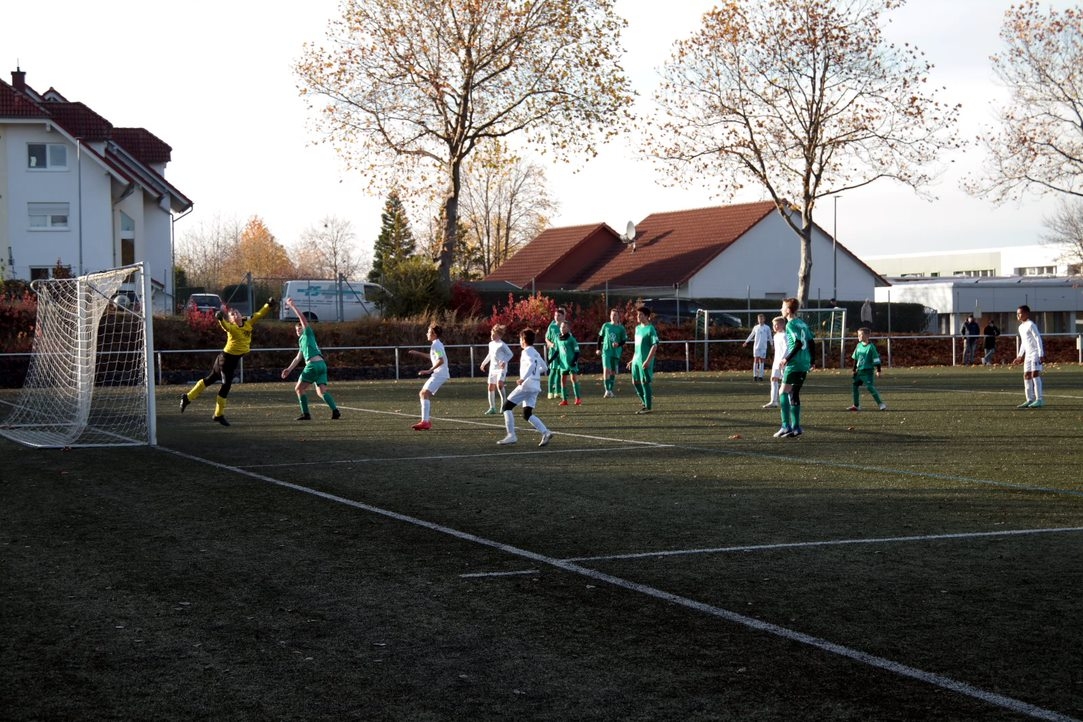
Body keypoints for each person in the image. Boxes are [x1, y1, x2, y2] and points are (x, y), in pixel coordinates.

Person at [179, 297, 277, 426]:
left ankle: (187, 397)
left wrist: (268, 305)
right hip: (225, 360)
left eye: (236, 312)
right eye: (232, 314)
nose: (235, 314)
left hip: (228, 359)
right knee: (225, 385)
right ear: (230, 320)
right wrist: (220, 319)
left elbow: (259, 314)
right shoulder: (232, 327)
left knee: (210, 379)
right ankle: (218, 415)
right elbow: (225, 327)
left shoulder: (248, 322)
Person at [280, 297, 341, 420]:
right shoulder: (302, 341)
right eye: (296, 330)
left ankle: (306, 414)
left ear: (304, 328)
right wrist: (289, 369)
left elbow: (302, 319)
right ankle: (335, 411)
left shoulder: (308, 333)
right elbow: (298, 357)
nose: (298, 331)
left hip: (313, 366)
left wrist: (292, 306)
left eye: (300, 328)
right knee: (321, 392)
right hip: (321, 365)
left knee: (299, 389)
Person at [497, 328, 554, 447]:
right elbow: (544, 367)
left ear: (523, 340)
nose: (520, 341)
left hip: (527, 385)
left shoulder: (526, 351)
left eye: (520, 339)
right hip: (535, 386)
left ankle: (511, 435)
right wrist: (534, 374)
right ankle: (546, 432)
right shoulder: (536, 352)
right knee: (527, 413)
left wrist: (523, 378)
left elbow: (532, 364)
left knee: (506, 407)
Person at [775, 297, 815, 438]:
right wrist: (812, 361)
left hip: (795, 363)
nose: (781, 309)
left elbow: (798, 343)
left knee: (782, 392)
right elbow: (811, 342)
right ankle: (796, 427)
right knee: (794, 392)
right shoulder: (802, 323)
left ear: (788, 310)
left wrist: (786, 359)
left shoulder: (791, 325)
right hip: (804, 362)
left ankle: (786, 426)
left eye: (782, 307)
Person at [408, 323, 450, 430]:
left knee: (424, 393)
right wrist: (417, 353)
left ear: (434, 334)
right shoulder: (436, 344)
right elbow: (433, 357)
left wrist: (429, 370)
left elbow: (441, 360)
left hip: (440, 374)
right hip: (439, 374)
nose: (427, 333)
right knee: (423, 393)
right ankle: (425, 421)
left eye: (429, 332)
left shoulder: (436, 345)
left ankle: (425, 422)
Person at [627, 305, 659, 414]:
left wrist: (648, 360)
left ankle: (648, 407)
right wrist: (632, 360)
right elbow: (637, 346)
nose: (638, 316)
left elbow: (654, 345)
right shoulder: (637, 328)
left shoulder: (650, 329)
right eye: (637, 314)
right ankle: (644, 403)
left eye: (640, 315)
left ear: (646, 316)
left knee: (644, 382)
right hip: (636, 360)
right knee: (635, 382)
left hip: (645, 360)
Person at [1013, 305, 1045, 408]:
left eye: (1020, 313)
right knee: (1026, 375)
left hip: (1035, 353)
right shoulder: (1021, 327)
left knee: (1035, 374)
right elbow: (1024, 342)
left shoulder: (1031, 325)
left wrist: (1041, 354)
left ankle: (1039, 399)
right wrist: (1019, 356)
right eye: (1017, 314)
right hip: (1028, 354)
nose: (1018, 315)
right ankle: (1029, 399)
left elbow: (1038, 339)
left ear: (1026, 314)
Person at [847, 327, 887, 411]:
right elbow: (856, 358)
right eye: (858, 335)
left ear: (867, 335)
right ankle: (856, 405)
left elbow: (876, 359)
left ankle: (881, 404)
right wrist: (854, 369)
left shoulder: (871, 347)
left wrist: (878, 370)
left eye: (860, 335)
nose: (858, 336)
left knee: (869, 387)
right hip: (859, 371)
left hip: (867, 372)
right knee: (855, 386)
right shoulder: (858, 345)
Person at [479, 324, 514, 415]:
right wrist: (483, 363)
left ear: (498, 335)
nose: (491, 336)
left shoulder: (502, 345)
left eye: (493, 334)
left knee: (499, 384)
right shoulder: (491, 344)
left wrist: (504, 361)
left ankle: (504, 404)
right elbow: (490, 355)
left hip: (501, 369)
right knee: (490, 386)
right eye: (491, 334)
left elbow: (510, 354)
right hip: (492, 368)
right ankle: (492, 408)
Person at [596, 308, 628, 398]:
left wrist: (618, 344)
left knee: (613, 372)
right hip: (606, 351)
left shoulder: (621, 328)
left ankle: (610, 389)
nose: (613, 316)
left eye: (615, 315)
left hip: (616, 352)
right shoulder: (606, 325)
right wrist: (598, 349)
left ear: (618, 317)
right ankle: (607, 390)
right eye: (612, 315)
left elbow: (624, 340)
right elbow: (600, 337)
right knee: (606, 369)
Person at [555, 320, 582, 406]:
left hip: (571, 363)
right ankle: (564, 400)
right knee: (562, 380)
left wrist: (574, 361)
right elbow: (557, 351)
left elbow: (577, 351)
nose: (562, 328)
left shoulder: (571, 339)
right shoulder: (558, 338)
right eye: (561, 327)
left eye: (564, 327)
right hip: (563, 364)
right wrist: (551, 360)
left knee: (573, 379)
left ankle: (578, 399)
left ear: (568, 328)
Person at [763, 315, 787, 409]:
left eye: (776, 325)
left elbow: (787, 348)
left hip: (784, 362)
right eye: (773, 325)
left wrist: (783, 359)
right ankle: (774, 401)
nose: (774, 327)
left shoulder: (785, 335)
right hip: (776, 362)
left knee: (786, 382)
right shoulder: (776, 336)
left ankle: (788, 401)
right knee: (773, 379)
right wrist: (776, 360)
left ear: (782, 325)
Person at [742, 313, 772, 382]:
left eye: (761, 318)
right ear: (758, 320)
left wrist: (771, 344)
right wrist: (746, 342)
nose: (760, 320)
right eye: (759, 319)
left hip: (763, 347)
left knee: (762, 360)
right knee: (756, 360)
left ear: (764, 319)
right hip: (756, 347)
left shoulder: (767, 327)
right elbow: (751, 335)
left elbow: (770, 336)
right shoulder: (756, 327)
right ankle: (755, 376)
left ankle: (761, 376)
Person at [545, 307, 566, 399]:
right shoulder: (552, 327)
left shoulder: (564, 326)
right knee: (553, 371)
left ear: (563, 317)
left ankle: (557, 391)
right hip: (553, 352)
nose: (556, 317)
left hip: (562, 353)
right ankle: (550, 392)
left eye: (559, 315)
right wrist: (551, 344)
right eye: (555, 315)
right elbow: (547, 338)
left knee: (559, 371)